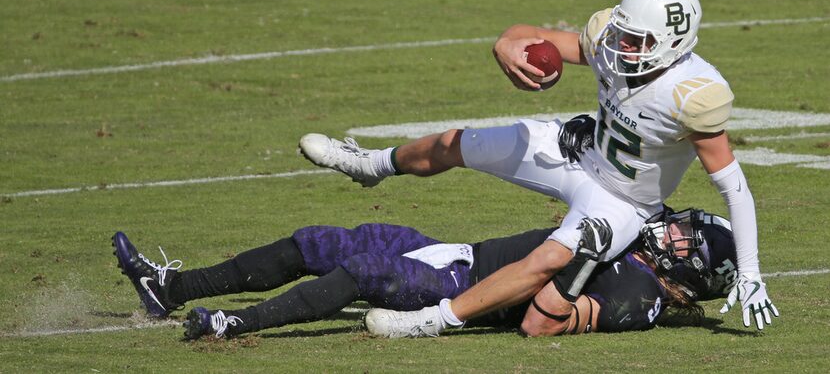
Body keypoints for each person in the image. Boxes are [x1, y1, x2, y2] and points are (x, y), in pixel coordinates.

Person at [298, 0, 778, 334]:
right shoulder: (614, 41)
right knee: (457, 143)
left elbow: (733, 186)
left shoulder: (692, 94)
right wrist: (506, 45)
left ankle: (432, 320)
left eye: (638, 41)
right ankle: (372, 165)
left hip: (623, 202)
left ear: (672, 44)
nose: (621, 45)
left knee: (547, 259)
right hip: (576, 149)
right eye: (624, 33)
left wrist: (752, 272)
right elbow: (531, 34)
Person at [113, 208, 737, 339]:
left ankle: (232, 324)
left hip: (465, 290)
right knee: (318, 241)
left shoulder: (637, 293)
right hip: (456, 251)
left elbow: (543, 326)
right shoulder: (635, 252)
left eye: (686, 237)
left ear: (694, 267)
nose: (672, 230)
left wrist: (586, 261)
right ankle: (170, 288)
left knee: (361, 272)